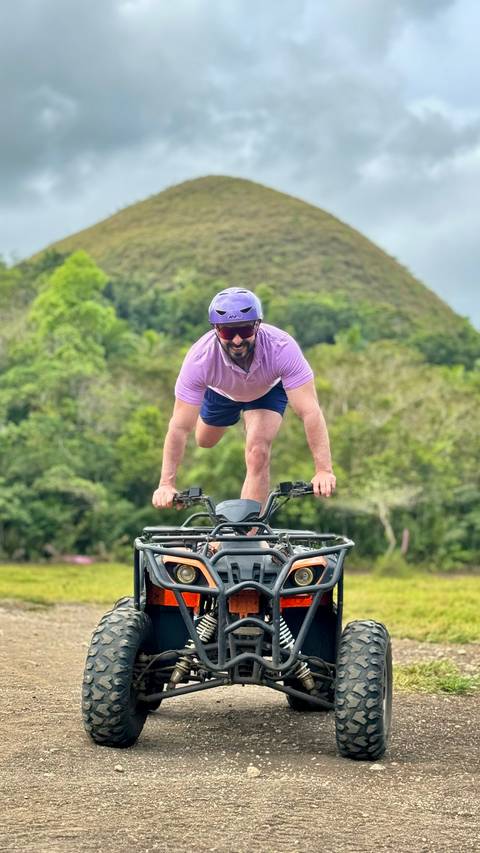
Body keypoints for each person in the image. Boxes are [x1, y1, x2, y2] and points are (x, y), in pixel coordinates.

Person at [152, 287, 336, 509]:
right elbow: (179, 427)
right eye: (228, 333)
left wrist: (323, 470)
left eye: (245, 329)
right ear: (215, 330)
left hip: (266, 391)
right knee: (205, 441)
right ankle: (228, 416)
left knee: (258, 451)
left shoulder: (282, 348)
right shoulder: (199, 360)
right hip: (221, 392)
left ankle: (248, 535)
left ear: (257, 325)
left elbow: (310, 411)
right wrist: (166, 484)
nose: (237, 340)